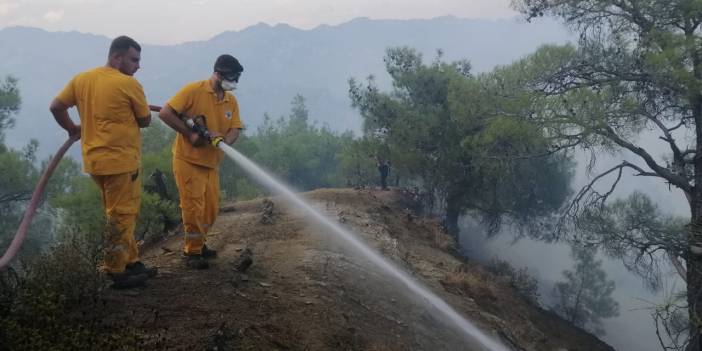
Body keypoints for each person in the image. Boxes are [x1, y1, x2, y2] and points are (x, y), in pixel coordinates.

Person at [49, 35, 157, 289]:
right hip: (121, 162)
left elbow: (56, 106)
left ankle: (131, 261)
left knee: (119, 213)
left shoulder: (82, 79)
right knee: (122, 215)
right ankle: (116, 270)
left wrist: (72, 128)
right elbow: (145, 120)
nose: (137, 66)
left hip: (95, 162)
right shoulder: (128, 84)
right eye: (134, 60)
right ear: (116, 57)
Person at [158, 54, 244, 269]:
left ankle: (200, 242)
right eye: (232, 77)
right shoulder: (194, 91)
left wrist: (225, 141)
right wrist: (190, 134)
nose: (234, 82)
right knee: (193, 208)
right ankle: (192, 252)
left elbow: (235, 128)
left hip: (211, 163)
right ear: (218, 73)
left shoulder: (230, 100)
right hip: (188, 161)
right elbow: (165, 113)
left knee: (210, 209)